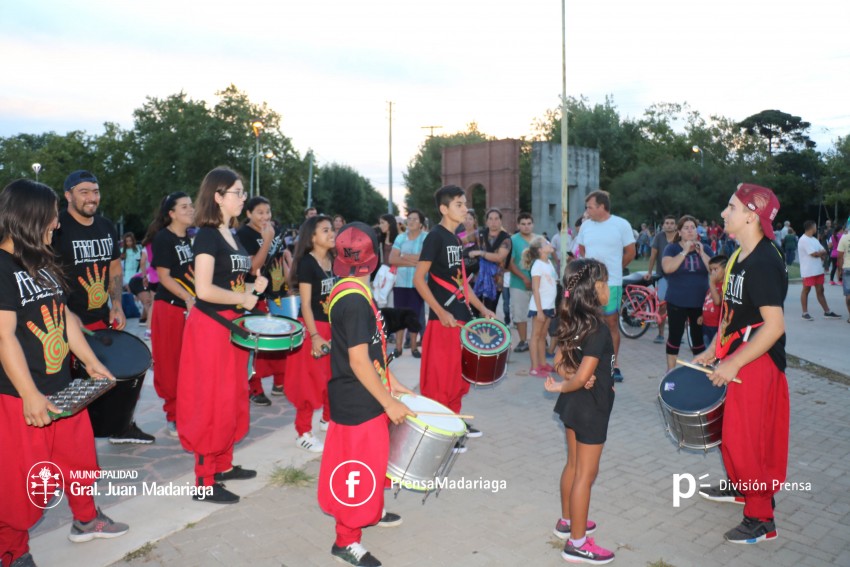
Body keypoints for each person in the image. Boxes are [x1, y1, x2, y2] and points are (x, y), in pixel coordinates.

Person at [0, 180, 129, 567]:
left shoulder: (42, 261)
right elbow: (3, 336)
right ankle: (13, 551)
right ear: (29, 215)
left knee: (79, 461)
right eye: (52, 214)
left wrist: (91, 363)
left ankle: (86, 520)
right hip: (20, 395)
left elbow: (66, 317)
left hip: (63, 388)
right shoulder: (2, 268)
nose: (57, 223)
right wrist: (30, 396)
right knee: (20, 483)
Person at [695, 183, 789, 544]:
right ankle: (741, 487)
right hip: (736, 353)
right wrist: (714, 350)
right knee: (729, 434)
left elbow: (774, 326)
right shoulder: (737, 257)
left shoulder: (764, 262)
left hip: (757, 361)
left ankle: (761, 517)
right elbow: (731, 313)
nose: (723, 213)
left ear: (751, 216)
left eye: (730, 207)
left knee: (747, 439)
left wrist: (733, 362)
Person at [317, 222, 415, 567]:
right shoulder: (355, 301)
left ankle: (370, 509)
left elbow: (371, 351)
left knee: (373, 462)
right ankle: (346, 540)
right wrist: (388, 401)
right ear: (372, 261)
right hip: (358, 400)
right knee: (355, 469)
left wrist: (392, 382)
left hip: (366, 393)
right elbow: (358, 360)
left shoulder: (350, 288)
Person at [177, 166, 267, 504]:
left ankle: (223, 464)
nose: (243, 198)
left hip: (232, 327)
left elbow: (228, 282)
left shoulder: (232, 235)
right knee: (209, 400)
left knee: (231, 395)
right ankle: (204, 480)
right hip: (211, 329)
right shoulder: (207, 235)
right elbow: (203, 289)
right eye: (237, 193)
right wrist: (242, 297)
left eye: (243, 193)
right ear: (218, 197)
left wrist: (250, 288)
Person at [52, 170, 154, 444]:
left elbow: (114, 267)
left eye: (95, 191)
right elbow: (44, 270)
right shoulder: (56, 226)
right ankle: (70, 441)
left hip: (100, 316)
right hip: (67, 322)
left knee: (114, 374)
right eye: (84, 191)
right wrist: (63, 311)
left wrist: (117, 303)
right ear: (68, 194)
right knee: (73, 386)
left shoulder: (106, 226)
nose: (91, 197)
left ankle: (120, 427)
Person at [544, 258, 616, 564]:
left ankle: (566, 521)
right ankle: (577, 543)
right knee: (586, 475)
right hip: (590, 409)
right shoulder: (598, 329)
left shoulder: (569, 321)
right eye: (604, 282)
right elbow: (584, 377)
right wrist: (569, 384)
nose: (608, 288)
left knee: (573, 466)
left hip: (574, 407)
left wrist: (571, 378)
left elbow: (559, 361)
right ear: (591, 289)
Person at [414, 185, 495, 440]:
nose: (465, 208)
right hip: (443, 321)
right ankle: (441, 431)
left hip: (461, 319)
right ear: (444, 209)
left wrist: (483, 309)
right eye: (459, 204)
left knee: (458, 378)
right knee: (441, 379)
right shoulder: (435, 237)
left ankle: (455, 422)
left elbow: (461, 282)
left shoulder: (455, 239)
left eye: (464, 204)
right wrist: (440, 311)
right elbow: (419, 279)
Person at [285, 215, 337, 452]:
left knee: (332, 375)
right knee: (309, 380)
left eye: (331, 229)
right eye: (325, 231)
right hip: (312, 327)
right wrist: (314, 336)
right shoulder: (307, 263)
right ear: (312, 237)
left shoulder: (333, 259)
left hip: (331, 326)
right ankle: (303, 431)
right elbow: (305, 304)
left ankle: (328, 420)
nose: (331, 233)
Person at [575, 190, 636, 382]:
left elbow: (630, 252)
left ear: (602, 207)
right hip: (590, 285)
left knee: (611, 323)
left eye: (590, 207)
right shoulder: (585, 226)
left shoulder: (621, 224)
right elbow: (582, 250)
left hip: (612, 283)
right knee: (589, 323)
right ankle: (587, 363)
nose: (587, 211)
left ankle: (613, 364)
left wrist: (614, 270)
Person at [149, 192, 195, 437]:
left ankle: (187, 411)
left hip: (190, 309)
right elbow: (164, 277)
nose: (191, 209)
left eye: (191, 205)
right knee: (169, 363)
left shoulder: (188, 238)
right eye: (184, 206)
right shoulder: (163, 238)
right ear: (172, 213)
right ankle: (173, 416)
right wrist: (188, 298)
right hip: (170, 309)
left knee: (188, 363)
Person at [236, 196, 287, 406]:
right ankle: (254, 387)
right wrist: (266, 240)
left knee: (281, 338)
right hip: (253, 295)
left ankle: (280, 382)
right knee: (255, 343)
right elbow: (252, 266)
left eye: (268, 212)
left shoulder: (273, 232)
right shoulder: (243, 235)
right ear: (248, 214)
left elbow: (279, 259)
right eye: (260, 212)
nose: (265, 217)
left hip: (276, 293)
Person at [660, 215, 712, 372]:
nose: (690, 231)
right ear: (680, 232)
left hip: (699, 302)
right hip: (677, 300)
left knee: (698, 339)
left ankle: (700, 371)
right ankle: (670, 371)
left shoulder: (705, 248)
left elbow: (716, 271)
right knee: (675, 336)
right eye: (686, 228)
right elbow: (668, 268)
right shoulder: (672, 248)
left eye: (693, 227)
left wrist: (701, 253)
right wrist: (684, 251)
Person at [388, 209, 427, 358]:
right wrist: (414, 261)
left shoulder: (426, 238)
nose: (410, 221)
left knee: (414, 316)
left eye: (414, 219)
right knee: (399, 316)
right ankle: (398, 348)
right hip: (400, 284)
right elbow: (392, 259)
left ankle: (413, 348)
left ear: (421, 223)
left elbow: (424, 259)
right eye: (409, 218)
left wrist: (403, 257)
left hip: (418, 284)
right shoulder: (400, 238)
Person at [524, 237, 558, 377]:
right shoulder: (537, 265)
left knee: (543, 335)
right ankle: (534, 367)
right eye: (546, 243)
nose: (549, 244)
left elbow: (552, 286)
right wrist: (539, 310)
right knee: (536, 336)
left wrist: (553, 305)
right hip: (540, 306)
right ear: (540, 250)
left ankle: (543, 364)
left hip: (549, 305)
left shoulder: (549, 262)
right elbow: (535, 289)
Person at [469, 208, 512, 316]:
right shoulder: (480, 234)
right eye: (491, 219)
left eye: (496, 219)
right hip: (477, 278)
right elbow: (460, 240)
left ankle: (488, 332)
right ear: (486, 221)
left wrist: (480, 253)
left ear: (501, 221)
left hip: (495, 280)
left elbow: (499, 257)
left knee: (490, 311)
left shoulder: (506, 238)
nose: (493, 222)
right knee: (473, 311)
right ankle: (475, 332)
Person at [797, 221, 842, 321]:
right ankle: (805, 313)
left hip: (817, 270)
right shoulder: (803, 240)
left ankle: (827, 312)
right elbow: (813, 254)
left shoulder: (814, 239)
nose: (816, 229)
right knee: (806, 290)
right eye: (815, 227)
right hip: (808, 270)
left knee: (820, 290)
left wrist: (820, 253)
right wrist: (819, 253)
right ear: (811, 227)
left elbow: (824, 251)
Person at [644, 215, 677, 344]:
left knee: (678, 307)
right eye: (667, 223)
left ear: (675, 225)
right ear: (663, 225)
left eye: (672, 223)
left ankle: (676, 334)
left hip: (678, 276)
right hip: (663, 275)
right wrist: (649, 272)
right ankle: (661, 334)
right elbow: (653, 256)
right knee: (662, 305)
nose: (669, 225)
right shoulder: (659, 237)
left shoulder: (679, 236)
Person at [508, 212, 536, 352]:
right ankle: (523, 341)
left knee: (539, 314)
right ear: (518, 225)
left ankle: (538, 339)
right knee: (520, 313)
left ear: (533, 224)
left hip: (538, 285)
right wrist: (524, 278)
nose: (526, 227)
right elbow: (510, 263)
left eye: (529, 224)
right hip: (519, 283)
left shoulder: (539, 240)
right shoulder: (512, 240)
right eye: (523, 224)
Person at [701, 255, 727, 347]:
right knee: (706, 348)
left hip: (716, 327)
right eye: (711, 270)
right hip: (706, 325)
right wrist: (702, 315)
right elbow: (707, 301)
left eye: (715, 269)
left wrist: (711, 283)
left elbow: (717, 301)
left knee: (715, 350)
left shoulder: (724, 286)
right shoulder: (712, 286)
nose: (712, 273)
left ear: (725, 269)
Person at [836, 228, 850, 322]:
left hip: (847, 267)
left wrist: (839, 270)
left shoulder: (844, 238)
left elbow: (840, 256)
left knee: (848, 294)